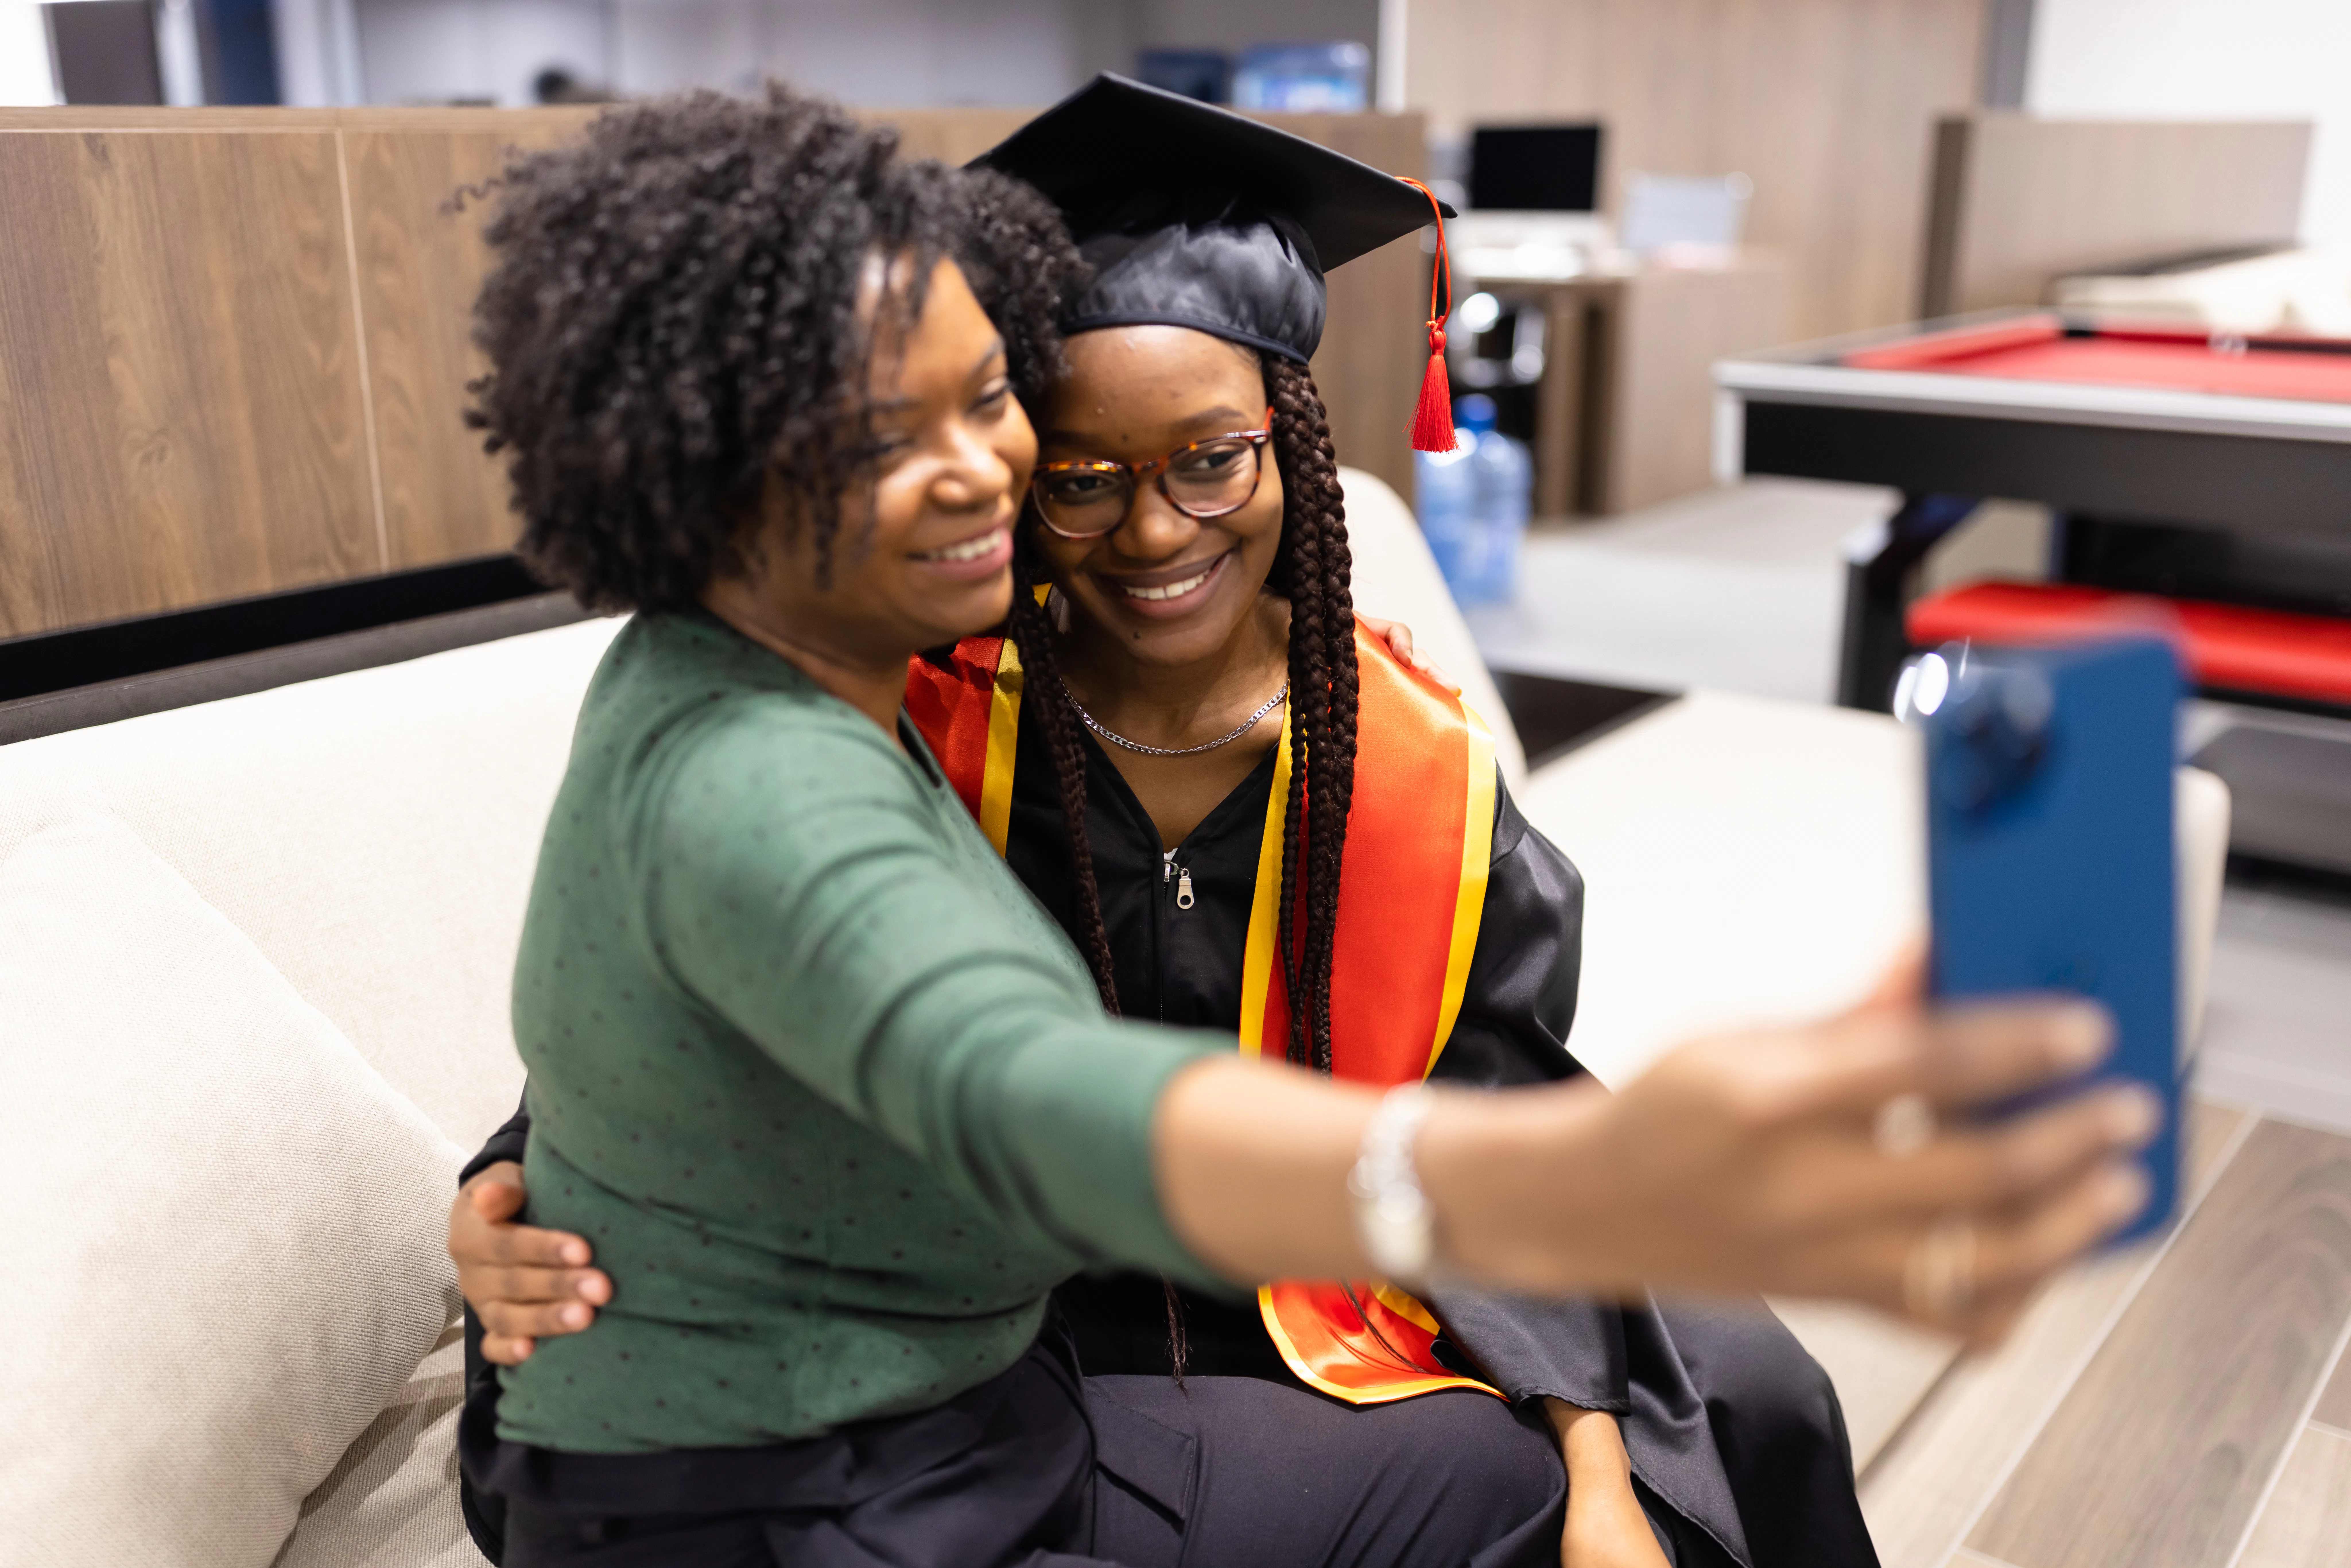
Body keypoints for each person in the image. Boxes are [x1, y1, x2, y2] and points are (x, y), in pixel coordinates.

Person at [455, 82, 2158, 1568]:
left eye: (1210, 459)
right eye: (1079, 470)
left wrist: (1583, 1405)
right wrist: (509, 1183)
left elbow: (1489, 1072)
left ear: (1293, 449)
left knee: (1748, 1406)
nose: (1145, 530)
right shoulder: (909, 693)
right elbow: (920, 1046)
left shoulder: (1401, 752)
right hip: (1037, 1314)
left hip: (1318, 1268)